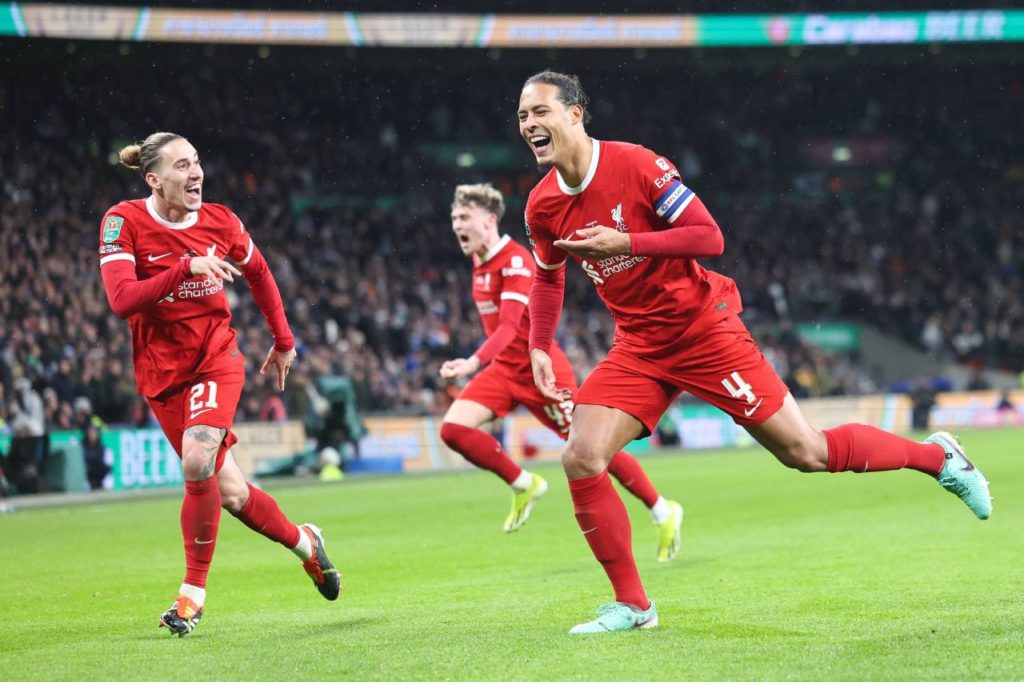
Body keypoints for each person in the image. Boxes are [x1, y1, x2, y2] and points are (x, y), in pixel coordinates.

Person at [517, 71, 992, 634]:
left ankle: (939, 458)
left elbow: (709, 236)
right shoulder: (542, 206)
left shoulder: (639, 165)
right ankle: (635, 607)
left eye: (540, 111)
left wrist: (629, 241)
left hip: (703, 331)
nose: (530, 125)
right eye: (522, 116)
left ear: (575, 113)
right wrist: (539, 345)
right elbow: (548, 277)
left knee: (805, 452)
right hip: (639, 346)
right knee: (582, 456)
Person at [98, 132, 341, 637]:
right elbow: (122, 299)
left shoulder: (222, 221)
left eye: (198, 163)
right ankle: (306, 544)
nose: (195, 174)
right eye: (182, 166)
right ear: (154, 179)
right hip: (161, 375)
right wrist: (185, 265)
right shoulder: (123, 221)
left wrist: (283, 338)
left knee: (196, 459)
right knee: (229, 492)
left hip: (216, 358)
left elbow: (258, 271)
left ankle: (191, 595)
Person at [439, 184, 684, 560]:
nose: (456, 225)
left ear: (488, 221)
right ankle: (523, 484)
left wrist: (471, 362)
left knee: (594, 449)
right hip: (505, 372)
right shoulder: (478, 260)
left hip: (543, 376)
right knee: (453, 429)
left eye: (463, 218)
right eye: (454, 217)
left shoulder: (515, 262)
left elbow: (507, 328)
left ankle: (662, 509)